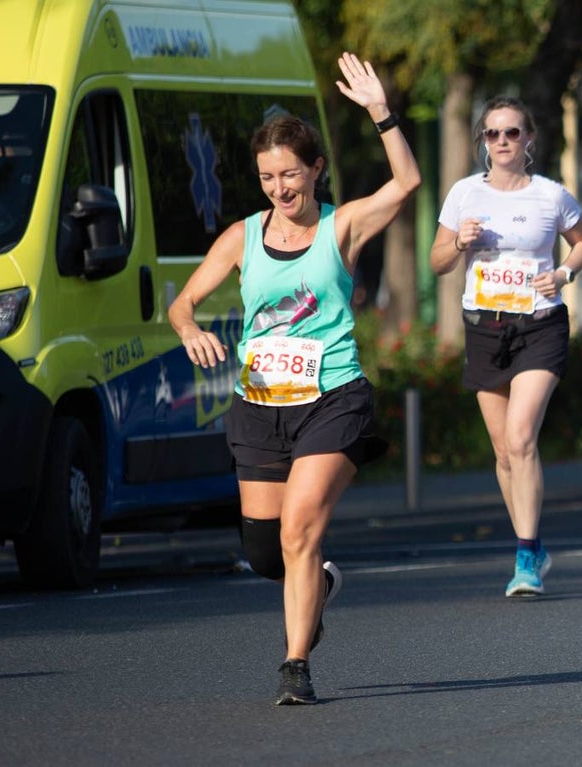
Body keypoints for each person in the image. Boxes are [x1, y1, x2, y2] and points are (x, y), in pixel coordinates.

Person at [168, 52, 420, 705]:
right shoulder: (243, 235)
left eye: (290, 174)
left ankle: (295, 664)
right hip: (259, 407)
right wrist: (189, 328)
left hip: (331, 398)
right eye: (267, 177)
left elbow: (407, 182)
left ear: (316, 170)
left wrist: (380, 112)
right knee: (264, 552)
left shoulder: (343, 224)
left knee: (301, 526)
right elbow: (182, 302)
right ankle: (317, 591)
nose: (280, 188)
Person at [429, 96, 582, 598]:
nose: (502, 142)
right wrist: (458, 243)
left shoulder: (551, 196)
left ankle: (526, 555)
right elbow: (436, 261)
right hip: (484, 327)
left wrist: (564, 273)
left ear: (529, 140)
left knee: (522, 437)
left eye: (512, 133)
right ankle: (534, 545)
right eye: (493, 134)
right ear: (483, 141)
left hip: (540, 326)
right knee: (503, 452)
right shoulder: (463, 195)